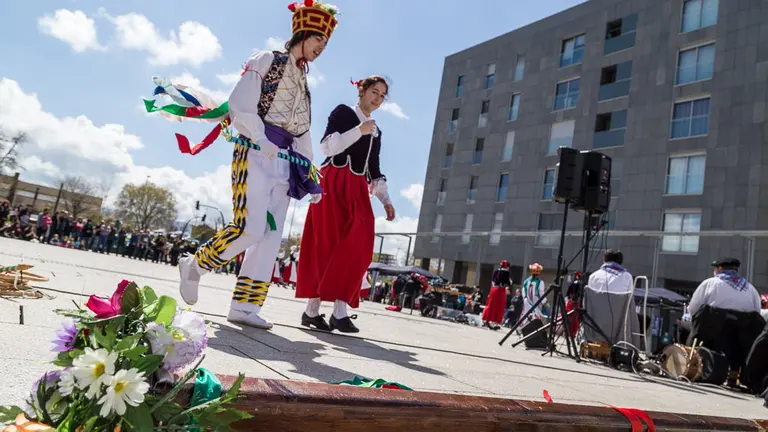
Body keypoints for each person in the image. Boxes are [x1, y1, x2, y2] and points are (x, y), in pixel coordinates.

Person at [177, 0, 338, 329]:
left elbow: (303, 133)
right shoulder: (267, 60)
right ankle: (194, 266)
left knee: (270, 237)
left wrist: (311, 176)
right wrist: (259, 135)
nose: (322, 48)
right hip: (254, 151)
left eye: (325, 43)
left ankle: (245, 306)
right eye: (318, 39)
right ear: (303, 33)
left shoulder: (305, 86)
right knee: (249, 228)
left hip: (283, 164)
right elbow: (240, 103)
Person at [296, 75, 395, 333]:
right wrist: (358, 131)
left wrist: (385, 199)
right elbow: (327, 148)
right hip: (332, 183)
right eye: (374, 92)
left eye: (382, 96)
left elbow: (373, 168)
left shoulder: (376, 130)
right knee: (326, 246)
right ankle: (316, 311)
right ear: (361, 91)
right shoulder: (343, 113)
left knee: (359, 245)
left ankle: (335, 309)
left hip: (357, 189)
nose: (378, 98)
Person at [688, 257, 763, 386]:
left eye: (715, 268)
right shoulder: (750, 289)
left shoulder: (711, 283)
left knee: (695, 325)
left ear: (720, 268)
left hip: (711, 331)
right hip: (739, 336)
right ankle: (734, 373)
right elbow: (757, 312)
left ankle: (693, 367)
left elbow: (693, 308)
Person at [483, 260, 511, 328]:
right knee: (499, 306)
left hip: (493, 289)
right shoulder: (506, 272)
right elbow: (507, 283)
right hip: (500, 290)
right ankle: (494, 321)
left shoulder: (496, 271)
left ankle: (487, 320)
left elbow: (493, 281)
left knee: (491, 305)